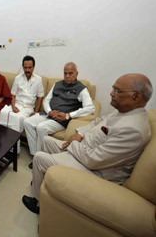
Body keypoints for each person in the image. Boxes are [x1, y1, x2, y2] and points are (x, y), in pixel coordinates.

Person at [22, 73, 153, 214]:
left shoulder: (133, 130)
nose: (111, 93)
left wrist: (73, 143)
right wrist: (79, 134)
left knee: (40, 158)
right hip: (84, 150)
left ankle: (38, 203)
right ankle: (42, 181)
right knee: (47, 140)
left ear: (136, 97)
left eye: (117, 90)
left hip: (94, 170)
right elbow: (96, 122)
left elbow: (94, 160)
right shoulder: (124, 112)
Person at [23, 62, 95, 167]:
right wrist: (50, 112)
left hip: (61, 119)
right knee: (27, 122)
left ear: (76, 74)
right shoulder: (57, 84)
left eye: (70, 73)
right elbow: (46, 101)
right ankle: (35, 154)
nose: (67, 76)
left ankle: (41, 158)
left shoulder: (81, 89)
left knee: (41, 127)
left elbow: (90, 108)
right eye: (65, 73)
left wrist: (68, 115)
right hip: (48, 114)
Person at [0, 55, 44, 153]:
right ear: (23, 67)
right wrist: (13, 106)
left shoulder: (38, 79)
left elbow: (40, 97)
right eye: (25, 67)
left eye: (29, 67)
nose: (27, 70)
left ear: (33, 67)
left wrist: (35, 112)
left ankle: (14, 149)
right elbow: (13, 95)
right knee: (3, 112)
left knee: (17, 118)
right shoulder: (18, 78)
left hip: (28, 108)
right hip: (17, 105)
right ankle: (4, 144)